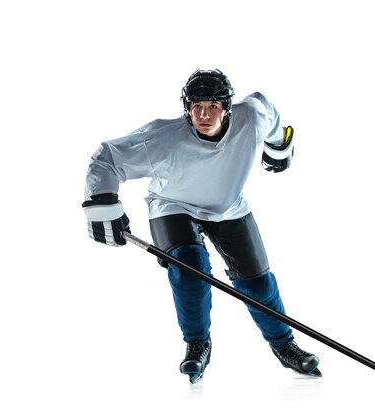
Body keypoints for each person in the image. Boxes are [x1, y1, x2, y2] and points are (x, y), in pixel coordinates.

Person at [82, 69, 321, 383]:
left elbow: (269, 111)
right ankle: (197, 344)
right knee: (190, 270)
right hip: (173, 205)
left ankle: (284, 345)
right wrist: (102, 203)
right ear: (187, 108)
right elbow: (107, 157)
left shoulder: (251, 118)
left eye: (212, 106)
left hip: (227, 206)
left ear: (227, 108)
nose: (204, 114)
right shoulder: (162, 139)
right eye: (196, 107)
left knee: (258, 282)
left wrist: (278, 147)